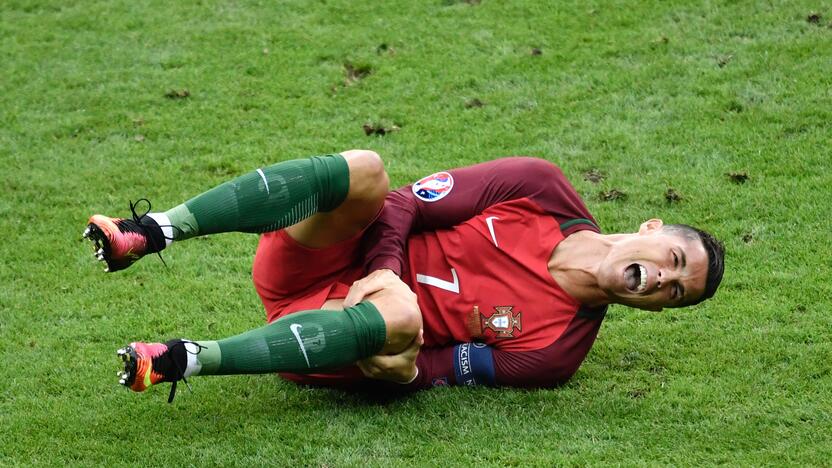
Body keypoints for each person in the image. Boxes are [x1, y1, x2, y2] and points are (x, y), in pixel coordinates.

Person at [84, 150, 724, 402]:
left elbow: (435, 371)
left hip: (335, 334)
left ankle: (179, 360)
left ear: (655, 311)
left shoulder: (555, 353)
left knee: (403, 319)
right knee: (366, 170)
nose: (661, 280)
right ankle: (150, 232)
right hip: (324, 261)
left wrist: (404, 372)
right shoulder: (539, 187)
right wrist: (386, 270)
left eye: (674, 292)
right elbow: (404, 202)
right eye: (673, 260)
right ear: (650, 229)